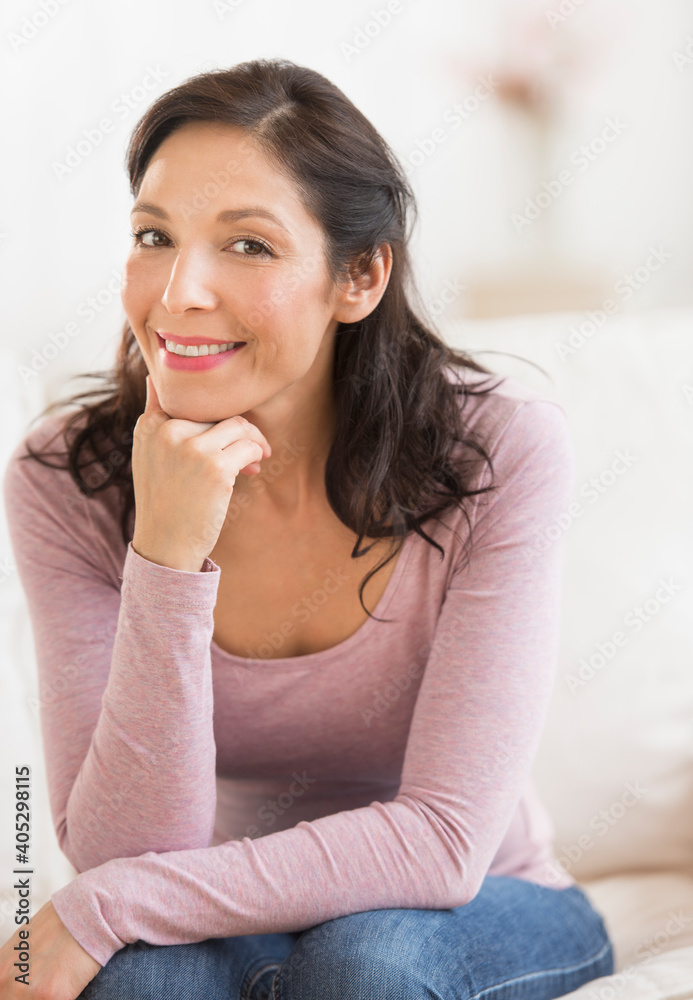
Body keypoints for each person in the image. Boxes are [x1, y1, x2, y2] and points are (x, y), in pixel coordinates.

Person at [0, 57, 615, 1000]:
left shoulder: (498, 450)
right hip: (221, 915)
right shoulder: (67, 480)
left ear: (359, 276)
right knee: (136, 987)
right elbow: (127, 851)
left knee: (364, 965)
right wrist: (165, 554)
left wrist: (106, 906)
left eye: (247, 245)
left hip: (483, 904)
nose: (179, 293)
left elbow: (445, 841)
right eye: (155, 236)